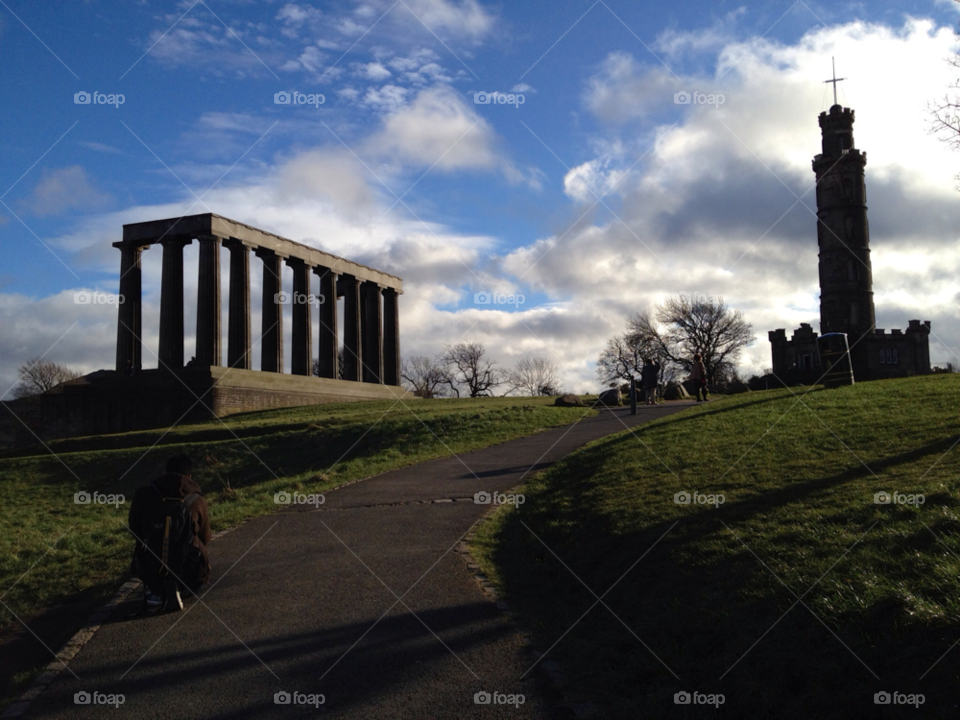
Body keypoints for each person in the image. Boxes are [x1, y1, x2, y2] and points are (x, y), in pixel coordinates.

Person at [128, 454, 211, 612]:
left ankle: (155, 591)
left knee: (144, 550)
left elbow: (134, 529)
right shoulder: (197, 499)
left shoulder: (142, 494)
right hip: (187, 568)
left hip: (151, 565)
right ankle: (180, 589)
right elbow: (205, 537)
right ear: (189, 476)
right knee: (198, 552)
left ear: (164, 472)